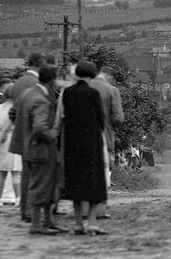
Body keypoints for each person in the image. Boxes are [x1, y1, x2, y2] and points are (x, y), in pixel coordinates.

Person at [55, 61, 108, 235]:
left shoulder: (67, 92)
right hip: (91, 143)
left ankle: (78, 223)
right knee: (94, 183)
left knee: (76, 183)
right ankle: (91, 222)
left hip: (71, 143)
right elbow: (101, 119)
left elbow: (62, 116)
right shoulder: (93, 93)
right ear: (91, 76)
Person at [15, 65, 62, 235]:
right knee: (41, 186)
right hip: (41, 149)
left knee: (44, 185)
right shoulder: (41, 99)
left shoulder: (28, 93)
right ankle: (37, 224)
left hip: (29, 146)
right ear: (51, 81)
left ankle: (48, 221)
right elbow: (40, 127)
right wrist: (52, 134)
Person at [8, 53, 46, 222]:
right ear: (40, 64)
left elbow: (14, 111)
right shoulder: (36, 84)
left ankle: (25, 209)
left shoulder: (18, 82)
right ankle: (31, 210)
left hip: (21, 131)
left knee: (26, 174)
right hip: (34, 133)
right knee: (34, 174)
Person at [0, 84, 22, 206]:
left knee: (2, 172)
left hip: (0, 140)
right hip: (12, 138)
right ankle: (18, 197)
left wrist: (0, 136)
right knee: (15, 172)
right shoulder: (16, 108)